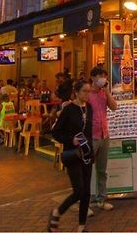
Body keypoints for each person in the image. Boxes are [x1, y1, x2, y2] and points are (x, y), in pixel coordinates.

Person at [49, 80, 94, 232]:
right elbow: (56, 132)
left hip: (86, 153)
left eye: (89, 91)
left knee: (87, 191)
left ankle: (81, 227)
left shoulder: (89, 108)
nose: (87, 94)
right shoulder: (69, 110)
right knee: (79, 190)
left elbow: (88, 132)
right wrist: (71, 140)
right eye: (84, 91)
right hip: (72, 154)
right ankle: (57, 211)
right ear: (77, 92)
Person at [88, 67, 117, 211]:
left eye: (105, 76)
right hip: (91, 136)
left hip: (104, 135)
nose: (103, 78)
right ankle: (85, 203)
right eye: (100, 76)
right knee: (85, 171)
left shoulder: (103, 93)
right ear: (92, 78)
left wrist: (107, 91)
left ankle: (101, 199)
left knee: (102, 170)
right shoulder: (86, 94)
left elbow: (114, 107)